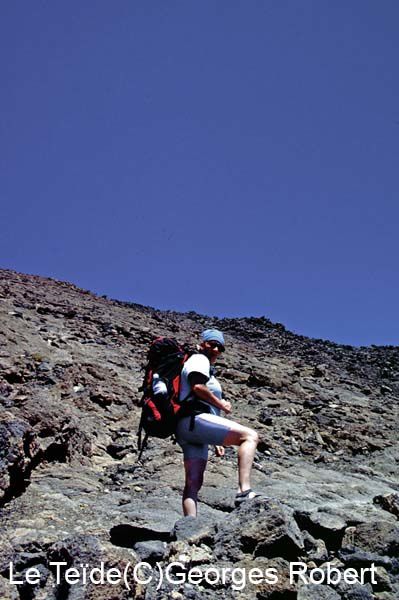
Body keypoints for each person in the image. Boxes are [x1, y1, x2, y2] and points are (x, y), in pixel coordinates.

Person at [176, 328, 260, 517]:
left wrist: (215, 441)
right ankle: (244, 491)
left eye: (220, 347)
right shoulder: (199, 359)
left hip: (188, 428)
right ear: (202, 343)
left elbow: (204, 402)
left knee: (193, 482)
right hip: (194, 421)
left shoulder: (203, 366)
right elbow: (197, 386)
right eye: (212, 344)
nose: (215, 349)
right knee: (250, 436)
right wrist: (221, 403)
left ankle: (189, 527)